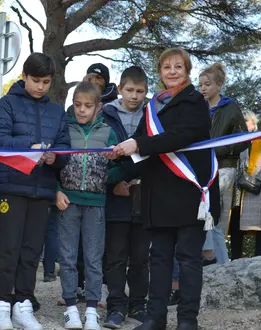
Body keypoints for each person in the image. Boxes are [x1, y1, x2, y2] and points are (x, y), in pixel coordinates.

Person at [113, 48, 220, 330]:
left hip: (188, 194)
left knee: (188, 260)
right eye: (166, 67)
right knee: (158, 259)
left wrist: (138, 146)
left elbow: (180, 136)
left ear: (187, 70)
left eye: (178, 67)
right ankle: (155, 318)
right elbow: (139, 145)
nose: (172, 72)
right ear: (160, 72)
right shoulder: (153, 106)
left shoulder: (196, 101)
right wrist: (119, 159)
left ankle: (187, 321)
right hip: (157, 194)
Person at [0, 52, 70, 330]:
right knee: (7, 247)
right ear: (24, 77)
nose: (41, 87)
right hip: (12, 186)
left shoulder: (58, 111)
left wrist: (53, 157)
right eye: (36, 80)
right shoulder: (7, 104)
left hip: (42, 188)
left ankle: (23, 304)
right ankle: (0, 304)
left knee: (32, 250)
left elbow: (65, 149)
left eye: (46, 82)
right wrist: (30, 147)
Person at [56, 81, 120, 330]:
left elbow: (119, 166)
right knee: (68, 257)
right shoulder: (64, 130)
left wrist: (107, 178)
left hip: (96, 204)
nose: (82, 110)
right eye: (78, 105)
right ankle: (71, 308)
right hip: (67, 202)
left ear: (98, 107)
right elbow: (53, 164)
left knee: (94, 257)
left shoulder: (108, 132)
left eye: (88, 106)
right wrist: (57, 191)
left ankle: (91, 309)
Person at [100, 66, 150, 329]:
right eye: (129, 90)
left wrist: (142, 181)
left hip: (145, 195)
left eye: (140, 91)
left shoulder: (153, 116)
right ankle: (116, 306)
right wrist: (115, 182)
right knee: (116, 256)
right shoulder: (106, 115)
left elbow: (157, 152)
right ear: (119, 89)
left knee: (141, 256)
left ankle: (138, 304)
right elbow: (99, 154)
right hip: (116, 196)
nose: (134, 96)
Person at [199, 63, 249, 265]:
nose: (202, 88)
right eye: (200, 84)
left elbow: (244, 139)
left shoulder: (231, 108)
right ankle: (223, 264)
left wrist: (222, 149)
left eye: (207, 84)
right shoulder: (198, 108)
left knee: (204, 205)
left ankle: (209, 254)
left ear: (219, 86)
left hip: (224, 167)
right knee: (213, 216)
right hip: (201, 165)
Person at [229, 111, 261, 258]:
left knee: (260, 225)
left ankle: (260, 258)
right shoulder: (234, 141)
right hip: (237, 190)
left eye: (246, 121)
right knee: (236, 225)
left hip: (259, 189)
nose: (242, 124)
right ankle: (235, 259)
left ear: (254, 123)